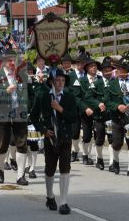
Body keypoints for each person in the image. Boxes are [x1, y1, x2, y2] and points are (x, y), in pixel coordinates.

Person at [30, 69, 77, 215]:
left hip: (65, 137)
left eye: (62, 80)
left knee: (65, 168)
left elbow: (73, 117)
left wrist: (60, 109)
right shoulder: (43, 95)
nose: (60, 83)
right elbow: (33, 116)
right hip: (50, 138)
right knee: (49, 169)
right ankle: (50, 196)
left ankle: (63, 202)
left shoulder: (69, 96)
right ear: (51, 82)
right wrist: (43, 129)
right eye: (57, 80)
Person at [0, 51, 29, 186]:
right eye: (9, 60)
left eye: (14, 60)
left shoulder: (21, 75)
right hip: (3, 113)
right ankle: (0, 169)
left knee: (22, 144)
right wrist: (5, 91)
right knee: (3, 146)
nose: (12, 63)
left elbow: (28, 92)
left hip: (19, 113)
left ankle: (20, 175)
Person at [85, 57, 115, 170]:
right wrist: (98, 103)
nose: (108, 71)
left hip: (112, 115)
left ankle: (112, 162)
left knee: (112, 139)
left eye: (109, 69)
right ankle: (100, 158)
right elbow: (88, 97)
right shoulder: (96, 83)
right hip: (99, 116)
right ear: (101, 71)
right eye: (105, 69)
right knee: (100, 138)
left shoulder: (115, 82)